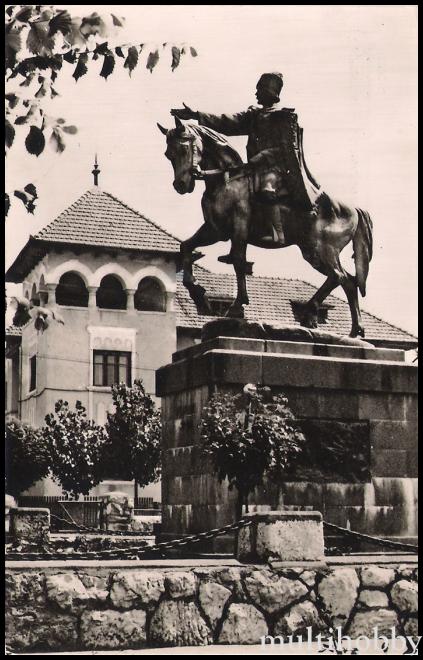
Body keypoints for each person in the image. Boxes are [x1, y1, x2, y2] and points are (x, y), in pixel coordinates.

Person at [171, 72, 320, 260]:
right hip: (253, 168)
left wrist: (260, 157)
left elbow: (285, 149)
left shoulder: (283, 117)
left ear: (270, 92)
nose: (256, 93)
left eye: (259, 89)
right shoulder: (254, 114)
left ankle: (277, 232)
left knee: (266, 189)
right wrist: (196, 115)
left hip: (275, 169)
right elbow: (227, 121)